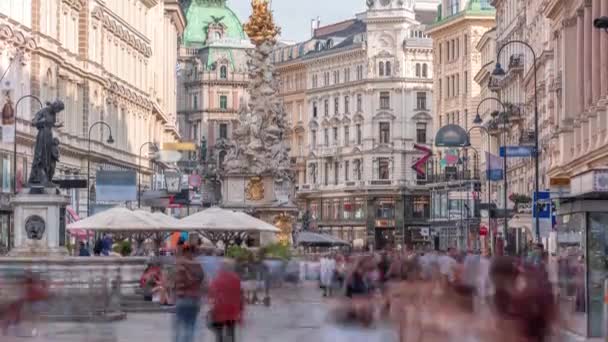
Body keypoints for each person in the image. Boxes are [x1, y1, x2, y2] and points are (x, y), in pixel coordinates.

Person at [174, 245, 205, 342]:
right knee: (190, 327)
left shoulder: (179, 265)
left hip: (182, 298)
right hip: (195, 299)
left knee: (179, 328)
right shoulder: (198, 265)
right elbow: (202, 280)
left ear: (184, 253)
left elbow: (175, 282)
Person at [209, 260, 244, 342]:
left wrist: (211, 307)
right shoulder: (236, 279)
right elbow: (239, 295)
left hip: (218, 309)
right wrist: (241, 310)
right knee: (231, 332)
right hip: (232, 310)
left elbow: (211, 294)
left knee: (218, 334)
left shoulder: (216, 278)